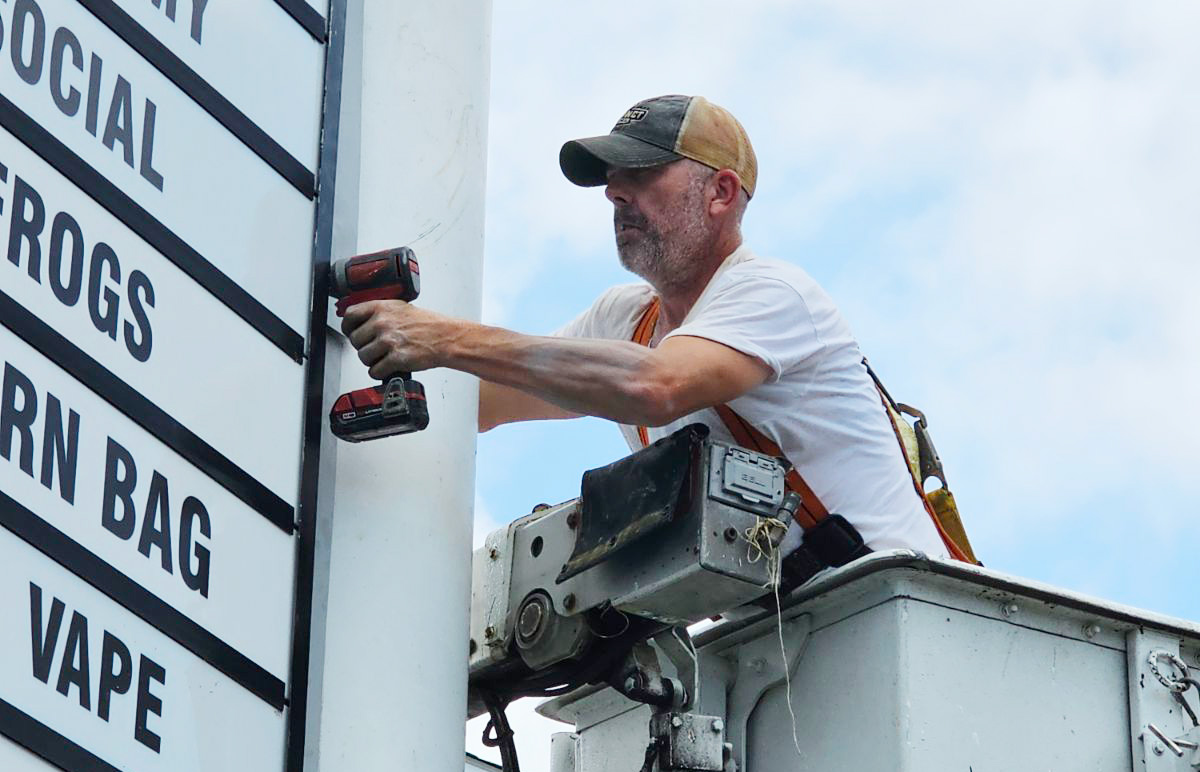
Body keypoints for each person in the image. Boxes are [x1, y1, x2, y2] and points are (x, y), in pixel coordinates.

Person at [340, 94, 948, 561]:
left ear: (721, 191)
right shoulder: (625, 321)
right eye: (610, 179)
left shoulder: (773, 294)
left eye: (641, 173)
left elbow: (656, 388)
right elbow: (482, 400)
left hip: (906, 621)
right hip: (789, 645)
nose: (614, 192)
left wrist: (441, 339)